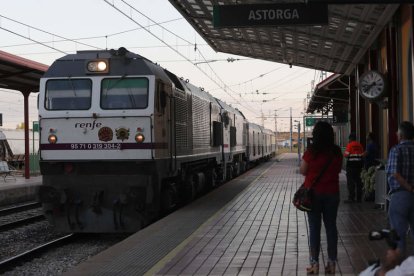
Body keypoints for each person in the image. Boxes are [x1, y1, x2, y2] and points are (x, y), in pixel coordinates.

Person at [300, 121, 343, 274]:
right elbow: (338, 169)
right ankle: (331, 263)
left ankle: (314, 264)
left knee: (314, 228)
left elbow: (303, 171)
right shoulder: (336, 151)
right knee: (331, 227)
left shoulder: (311, 152)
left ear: (315, 135)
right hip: (332, 194)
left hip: (314, 195)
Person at [386, 121, 414, 259]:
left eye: (397, 132)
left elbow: (394, 174)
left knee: (398, 235)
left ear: (401, 135)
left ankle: (400, 267)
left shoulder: (396, 150)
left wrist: (409, 188)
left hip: (400, 196)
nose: (396, 134)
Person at [344, 132, 364, 203]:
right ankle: (359, 198)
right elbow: (362, 155)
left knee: (350, 182)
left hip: (351, 166)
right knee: (359, 182)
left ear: (350, 138)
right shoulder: (359, 145)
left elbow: (346, 155)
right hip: (358, 166)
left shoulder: (349, 145)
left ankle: (351, 198)